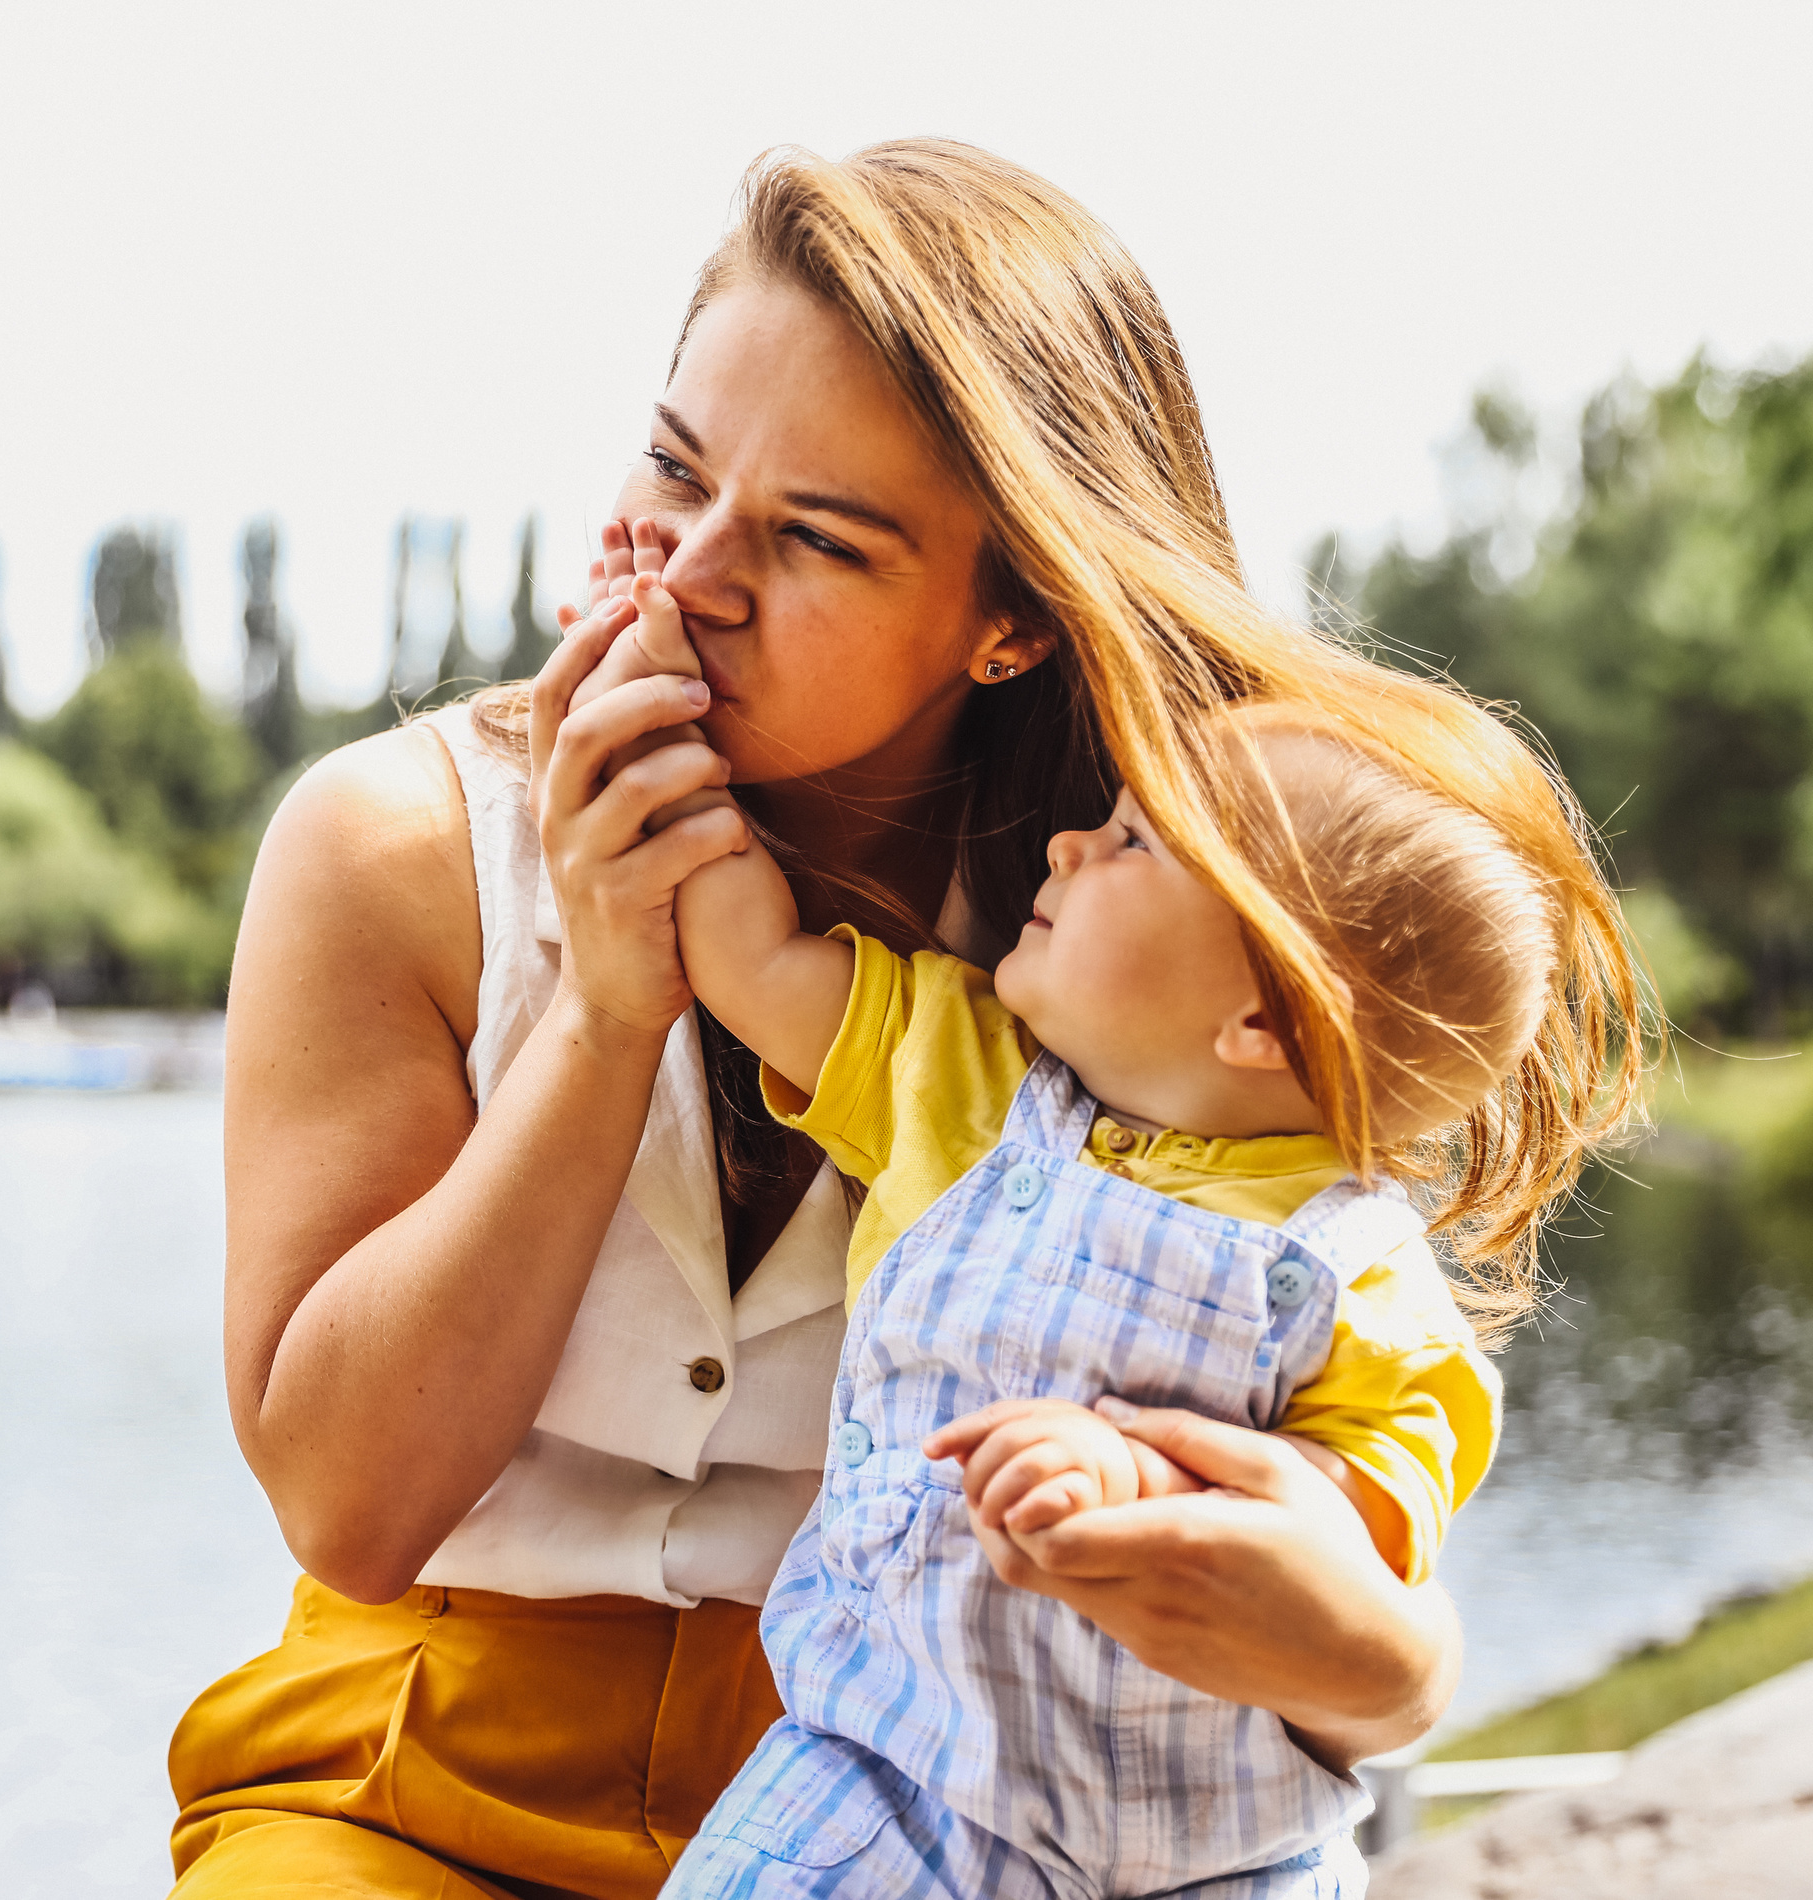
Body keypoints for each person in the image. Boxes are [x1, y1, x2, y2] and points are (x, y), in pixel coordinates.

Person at [170, 139, 1478, 1898]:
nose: (697, 574)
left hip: (943, 1795)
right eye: (675, 472)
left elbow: (1352, 1511)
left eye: (813, 540)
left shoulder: (1130, 928)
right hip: (401, 1780)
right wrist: (604, 1005)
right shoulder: (395, 848)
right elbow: (352, 1506)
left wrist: (1381, 1655)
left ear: (1009, 620)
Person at [571, 579, 1642, 1892]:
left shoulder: (1364, 1284)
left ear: (1267, 1019)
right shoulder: (967, 1086)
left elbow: (1344, 1565)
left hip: (1219, 1852)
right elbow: (752, 958)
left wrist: (1140, 1488)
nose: (1070, 845)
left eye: (1135, 841)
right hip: (894, 1787)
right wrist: (652, 700)